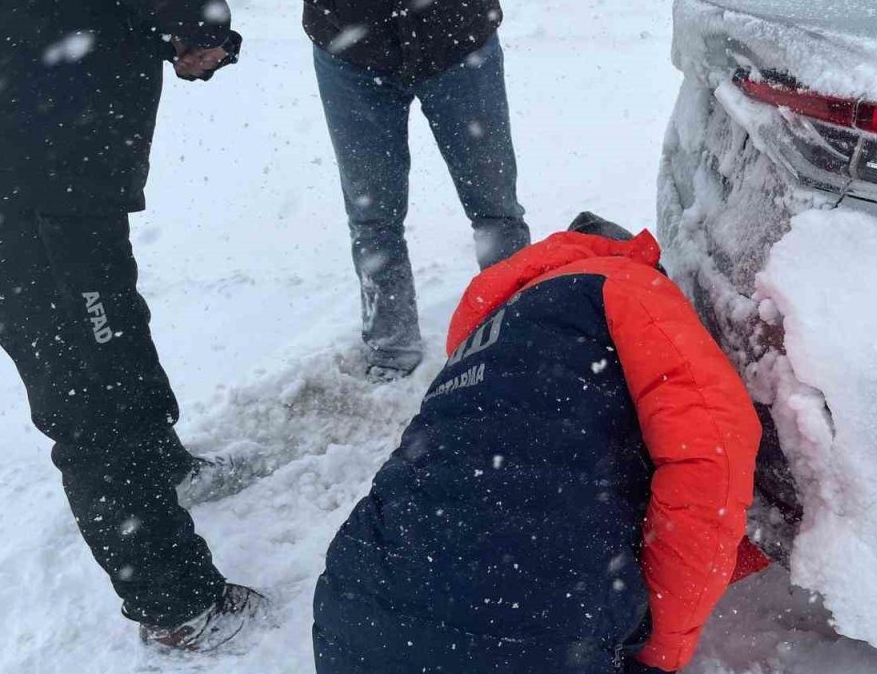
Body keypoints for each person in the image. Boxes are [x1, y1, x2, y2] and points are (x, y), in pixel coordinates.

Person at [312, 213, 763, 674]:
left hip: (350, 616)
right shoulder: (626, 285)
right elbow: (712, 463)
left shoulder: (484, 340)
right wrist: (661, 648)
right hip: (530, 628)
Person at [0, 0, 265, 651]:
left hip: (43, 166)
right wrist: (201, 26)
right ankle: (179, 606)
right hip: (26, 180)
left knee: (110, 328)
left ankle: (163, 467)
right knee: (88, 392)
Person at [247, 0, 531, 381]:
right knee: (373, 214)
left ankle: (515, 328)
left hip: (459, 39)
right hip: (352, 54)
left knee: (494, 206)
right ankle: (391, 350)